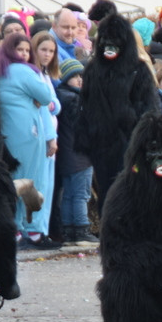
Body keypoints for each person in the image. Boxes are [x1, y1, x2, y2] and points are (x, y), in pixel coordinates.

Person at [0, 32, 62, 250]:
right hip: (29, 133)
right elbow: (46, 98)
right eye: (19, 50)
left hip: (6, 133)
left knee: (13, 181)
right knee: (34, 181)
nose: (23, 54)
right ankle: (33, 232)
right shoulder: (24, 70)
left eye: (25, 50)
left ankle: (15, 230)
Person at [54, 58, 97, 246]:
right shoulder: (75, 99)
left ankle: (69, 231)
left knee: (69, 195)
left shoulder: (62, 96)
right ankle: (81, 230)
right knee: (81, 194)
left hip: (67, 156)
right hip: (80, 156)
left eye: (82, 76)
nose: (80, 80)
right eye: (75, 76)